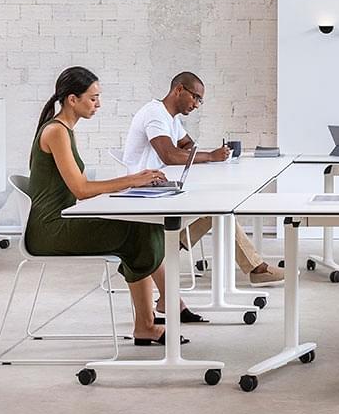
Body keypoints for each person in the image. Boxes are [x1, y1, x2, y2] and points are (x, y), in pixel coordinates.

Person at [25, 66, 184, 345]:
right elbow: (82, 190)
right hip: (49, 231)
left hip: (62, 221)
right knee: (140, 232)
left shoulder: (63, 130)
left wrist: (130, 185)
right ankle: (146, 324)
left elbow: (82, 187)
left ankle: (152, 317)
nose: (98, 104)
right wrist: (132, 180)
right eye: (93, 98)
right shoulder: (56, 132)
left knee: (143, 228)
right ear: (72, 99)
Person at [122, 71, 283, 287]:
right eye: (195, 97)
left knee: (217, 209)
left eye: (200, 99)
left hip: (161, 186)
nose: (197, 104)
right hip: (144, 192)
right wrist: (210, 156)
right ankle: (256, 268)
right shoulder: (154, 113)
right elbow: (168, 155)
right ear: (179, 89)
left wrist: (198, 153)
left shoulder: (171, 119)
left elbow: (187, 145)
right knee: (216, 209)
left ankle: (154, 253)